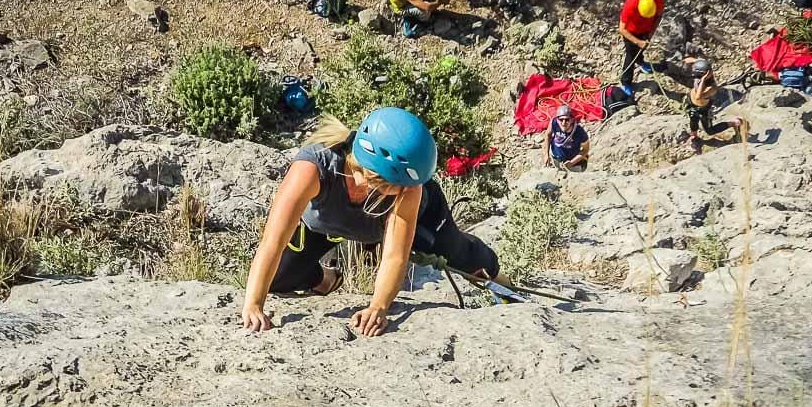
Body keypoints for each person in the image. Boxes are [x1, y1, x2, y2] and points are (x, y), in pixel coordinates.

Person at [241, 108, 508, 337]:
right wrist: (253, 304)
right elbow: (273, 241)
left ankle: (505, 283)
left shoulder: (410, 188)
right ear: (375, 176)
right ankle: (327, 280)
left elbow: (395, 256)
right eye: (399, 186)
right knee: (280, 278)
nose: (407, 190)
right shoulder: (313, 168)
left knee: (458, 253)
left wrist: (378, 307)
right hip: (327, 225)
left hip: (413, 220)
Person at [684, 57, 742, 154]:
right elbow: (692, 61)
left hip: (703, 109)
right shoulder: (699, 74)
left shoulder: (712, 87)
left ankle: (734, 123)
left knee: (710, 130)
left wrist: (703, 80)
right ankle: (694, 136)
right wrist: (694, 61)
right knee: (693, 120)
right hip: (691, 103)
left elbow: (698, 96)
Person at [618, 0, 664, 95]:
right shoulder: (630, 5)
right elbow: (622, 29)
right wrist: (638, 42)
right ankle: (625, 82)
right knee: (630, 56)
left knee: (641, 49)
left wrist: (651, 32)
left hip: (645, 31)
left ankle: (640, 62)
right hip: (630, 32)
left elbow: (659, 16)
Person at [543, 105, 590, 171]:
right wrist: (546, 154)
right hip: (557, 158)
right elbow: (548, 135)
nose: (563, 123)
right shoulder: (554, 123)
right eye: (561, 120)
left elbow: (585, 150)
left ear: (572, 120)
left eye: (567, 120)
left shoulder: (579, 132)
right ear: (557, 119)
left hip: (573, 162)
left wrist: (572, 162)